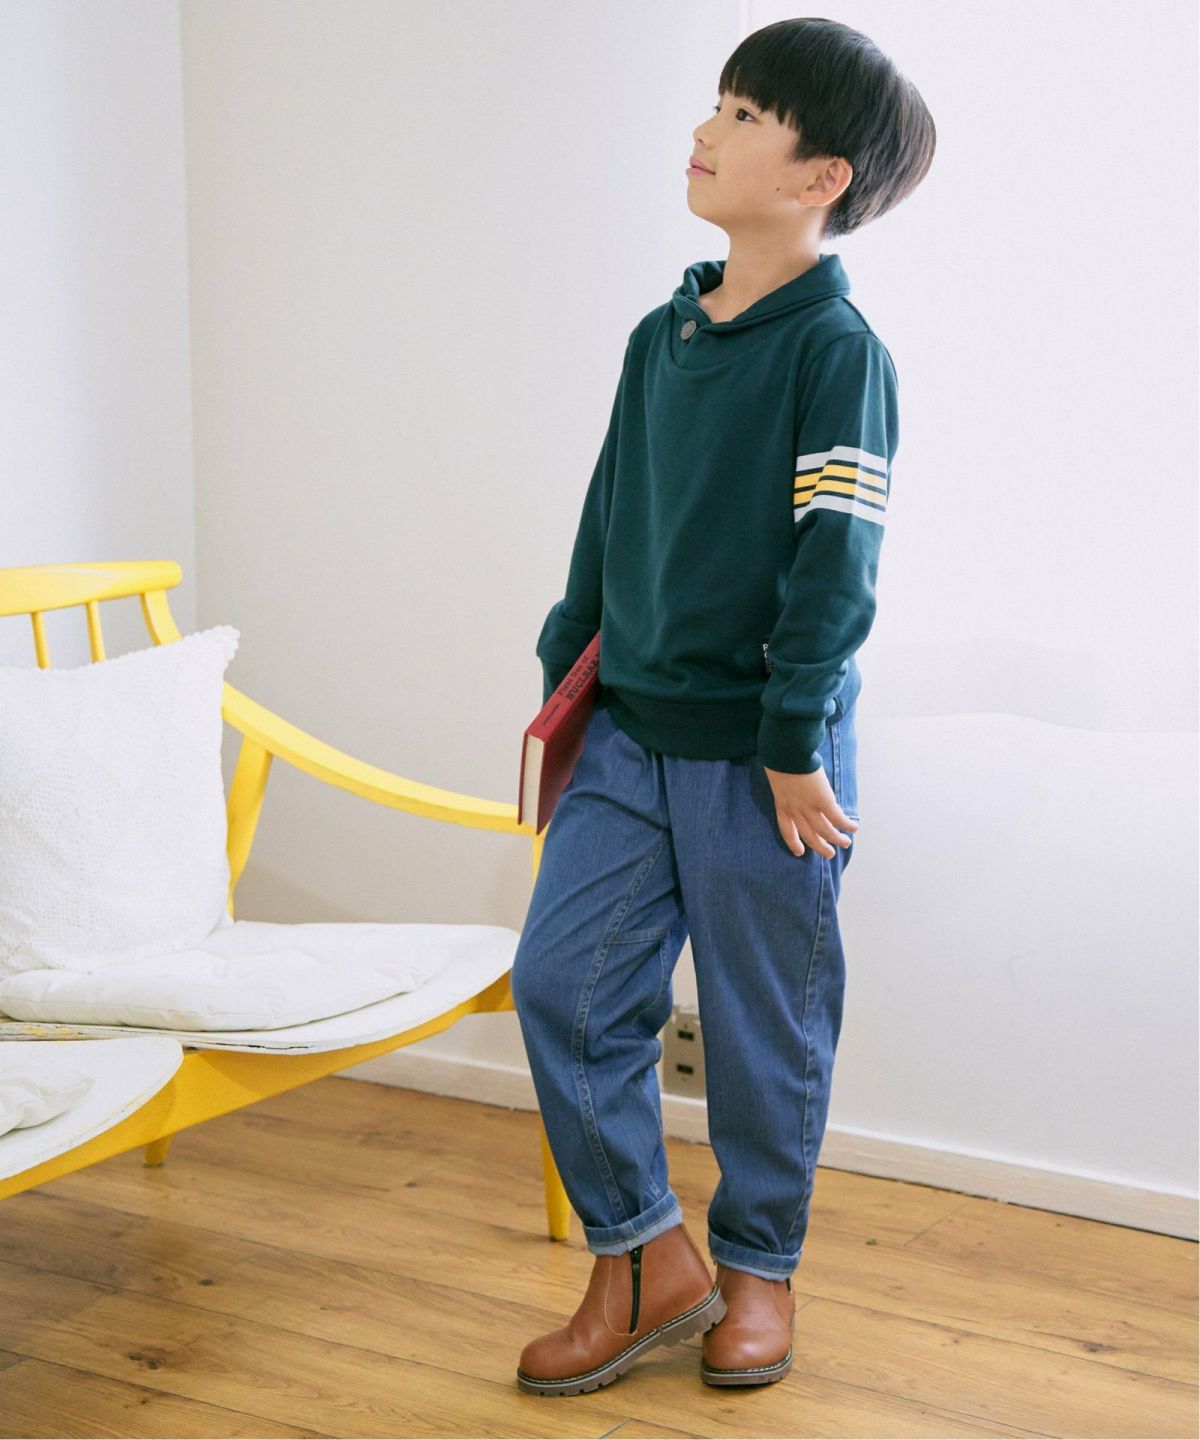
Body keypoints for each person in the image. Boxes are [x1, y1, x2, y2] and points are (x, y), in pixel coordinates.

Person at [510, 16, 935, 1397]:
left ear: (821, 177)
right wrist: (566, 680)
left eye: (747, 115)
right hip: (630, 731)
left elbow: (836, 563)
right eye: (717, 103)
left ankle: (759, 1272)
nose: (707, 129)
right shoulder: (662, 339)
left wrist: (796, 737)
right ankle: (644, 1257)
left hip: (766, 754)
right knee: (564, 986)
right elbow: (606, 520)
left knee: (765, 1029)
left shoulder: (838, 352)